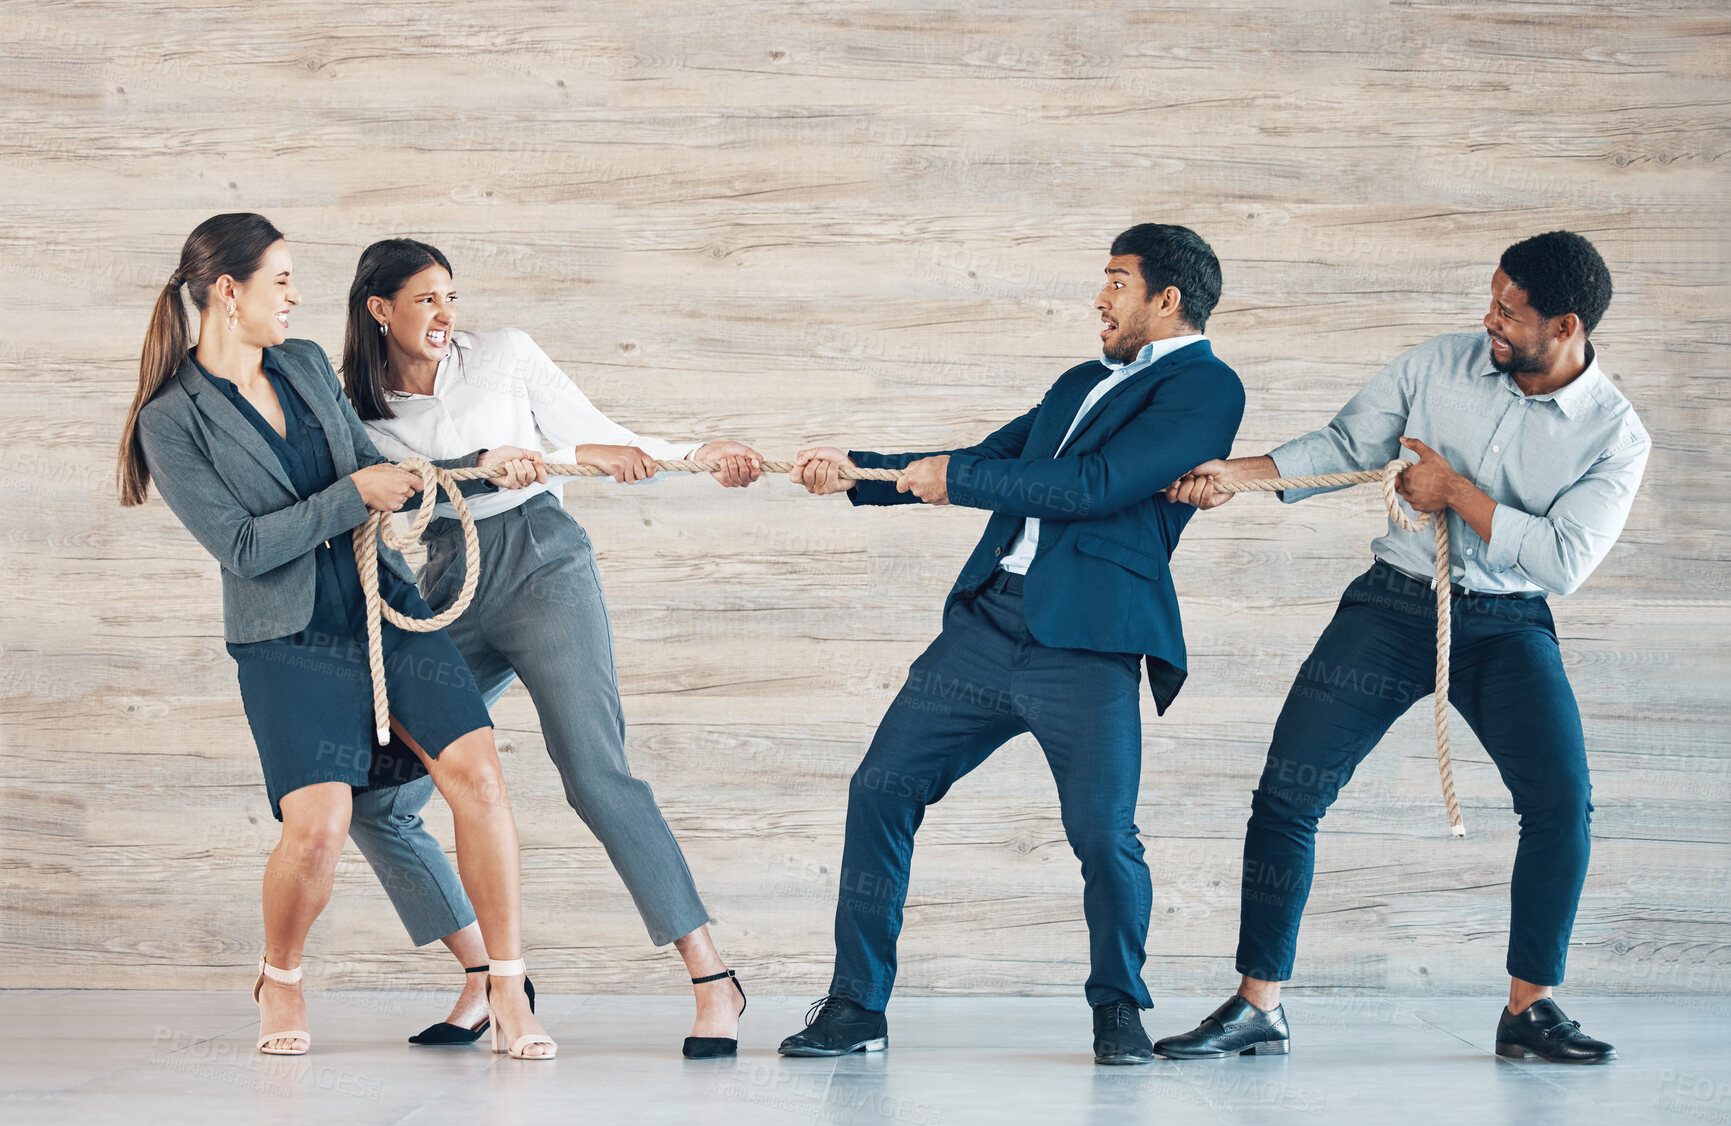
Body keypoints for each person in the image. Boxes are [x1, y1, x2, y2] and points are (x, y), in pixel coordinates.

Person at [1157, 231, 1647, 1065]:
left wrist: (1458, 493)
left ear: (1564, 326)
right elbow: (1346, 446)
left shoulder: (1613, 434)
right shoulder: (1436, 363)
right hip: (1389, 607)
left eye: (1507, 310)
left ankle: (1528, 1009)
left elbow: (1564, 559)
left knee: (1561, 804)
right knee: (1287, 792)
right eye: (1490, 298)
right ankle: (1257, 1008)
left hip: (1505, 621)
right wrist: (1235, 475)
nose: (1486, 319)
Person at [779, 224, 1245, 1065]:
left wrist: (956, 482)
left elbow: (1093, 487)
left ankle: (1117, 1009)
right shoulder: (1078, 382)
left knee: (1103, 834)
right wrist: (860, 470)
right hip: (987, 625)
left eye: (1115, 281)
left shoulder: (1206, 389)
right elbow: (992, 456)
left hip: (1089, 644)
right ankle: (855, 1005)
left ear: (1165, 298)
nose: (1097, 297)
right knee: (880, 789)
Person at [118, 214, 555, 1059]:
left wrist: (475, 465)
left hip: (378, 606)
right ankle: (279, 975)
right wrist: (351, 492)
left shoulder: (308, 364)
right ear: (226, 291)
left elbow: (380, 470)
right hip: (284, 635)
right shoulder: (170, 421)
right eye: (280, 279)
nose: (295, 295)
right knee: (317, 826)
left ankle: (506, 982)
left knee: (481, 779)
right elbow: (243, 547)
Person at [337, 237, 761, 1058]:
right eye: (425, 299)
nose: (445, 314)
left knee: (596, 774)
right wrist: (485, 465)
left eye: (449, 296)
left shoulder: (505, 355)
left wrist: (694, 455)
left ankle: (713, 976)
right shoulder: (363, 413)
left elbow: (600, 437)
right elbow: (401, 488)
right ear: (379, 309)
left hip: (543, 564)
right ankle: (488, 975)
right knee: (373, 795)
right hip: (451, 579)